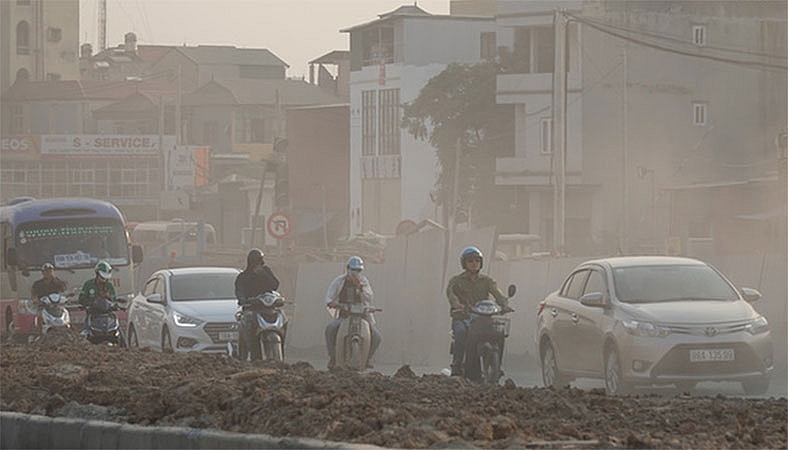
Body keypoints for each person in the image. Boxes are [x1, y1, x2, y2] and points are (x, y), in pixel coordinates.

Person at [446, 246, 512, 379]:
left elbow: (497, 294)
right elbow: (451, 294)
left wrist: (504, 305)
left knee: (499, 333)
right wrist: (457, 305)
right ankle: (457, 365)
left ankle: (497, 367)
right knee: (461, 333)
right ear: (464, 263)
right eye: (470, 261)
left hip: (483, 318)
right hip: (463, 317)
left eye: (477, 260)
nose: (474, 263)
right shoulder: (456, 281)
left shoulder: (487, 281)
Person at [324, 256, 381, 369]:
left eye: (358, 270)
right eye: (353, 269)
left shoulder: (364, 282)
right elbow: (329, 298)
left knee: (377, 336)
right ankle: (333, 357)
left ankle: (368, 358)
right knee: (330, 329)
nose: (355, 272)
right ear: (348, 268)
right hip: (345, 315)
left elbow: (369, 297)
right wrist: (335, 304)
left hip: (362, 316)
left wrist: (360, 287)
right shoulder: (339, 281)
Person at [234, 248, 280, 358]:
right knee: (248, 319)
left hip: (267, 308)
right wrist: (243, 300)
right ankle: (252, 349)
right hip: (251, 309)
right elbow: (239, 290)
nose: (257, 264)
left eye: (259, 261)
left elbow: (275, 285)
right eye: (255, 261)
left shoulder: (266, 272)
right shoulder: (243, 276)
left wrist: (263, 274)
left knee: (282, 316)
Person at [78, 260, 117, 336]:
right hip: (93, 314)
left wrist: (108, 297)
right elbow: (81, 299)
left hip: (108, 314)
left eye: (105, 278)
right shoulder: (88, 284)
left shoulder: (109, 285)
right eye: (102, 278)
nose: (103, 280)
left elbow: (114, 299)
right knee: (84, 334)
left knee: (119, 331)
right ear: (97, 274)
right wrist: (93, 301)